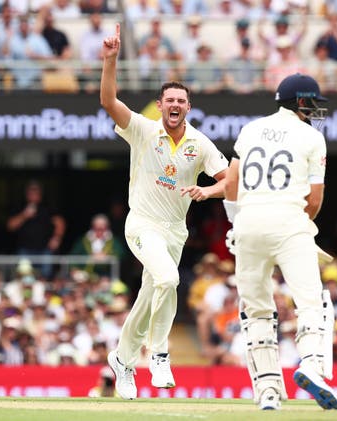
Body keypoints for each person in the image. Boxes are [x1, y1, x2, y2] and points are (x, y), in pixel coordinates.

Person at [100, 23, 229, 400]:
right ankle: (158, 353)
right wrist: (111, 61)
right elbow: (109, 102)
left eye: (181, 101)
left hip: (175, 230)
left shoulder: (200, 143)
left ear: (188, 107)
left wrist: (207, 190)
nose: (174, 106)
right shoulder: (142, 130)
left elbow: (228, 180)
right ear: (160, 106)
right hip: (142, 223)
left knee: (150, 293)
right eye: (169, 100)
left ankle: (122, 360)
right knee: (169, 280)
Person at [222, 73, 337, 410]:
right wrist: (297, 229)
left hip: (247, 223)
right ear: (301, 102)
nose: (316, 109)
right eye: (313, 102)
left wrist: (236, 221)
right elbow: (314, 201)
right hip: (290, 221)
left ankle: (268, 391)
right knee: (310, 302)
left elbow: (231, 183)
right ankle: (313, 366)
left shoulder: (249, 129)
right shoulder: (312, 137)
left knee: (257, 309)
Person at [6, 180, 66, 279]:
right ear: (26, 194)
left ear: (40, 194)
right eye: (31, 192)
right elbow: (10, 226)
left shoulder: (47, 207)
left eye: (36, 192)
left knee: (46, 275)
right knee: (24, 276)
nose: (33, 195)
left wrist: (57, 238)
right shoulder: (20, 207)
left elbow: (60, 222)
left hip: (45, 249)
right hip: (25, 249)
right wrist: (24, 215)